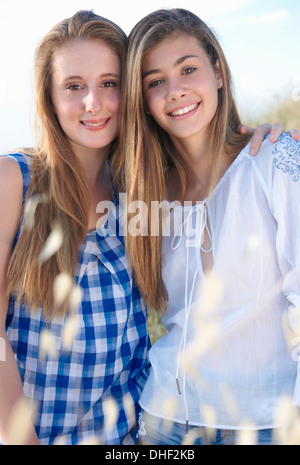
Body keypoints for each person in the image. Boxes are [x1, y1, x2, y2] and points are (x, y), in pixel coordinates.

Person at [120, 8, 300, 445]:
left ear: (217, 72)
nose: (175, 91)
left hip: (265, 422)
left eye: (188, 69)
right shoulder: (144, 192)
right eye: (155, 81)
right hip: (164, 420)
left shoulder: (274, 162)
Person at [0, 10, 151, 445]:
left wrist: (264, 137)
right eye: (74, 86)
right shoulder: (15, 182)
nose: (94, 103)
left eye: (109, 83)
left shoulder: (139, 191)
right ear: (49, 97)